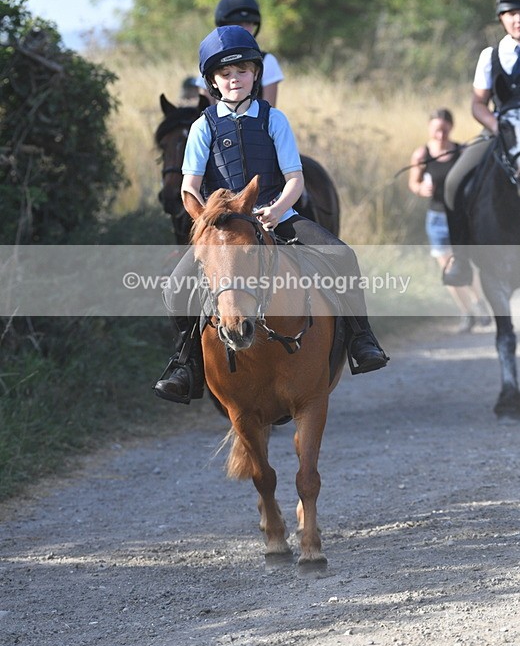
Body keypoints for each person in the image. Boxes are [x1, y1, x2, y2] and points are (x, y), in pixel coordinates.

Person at [154, 26, 388, 404]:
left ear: (255, 74)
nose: (234, 80)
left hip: (277, 214)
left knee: (343, 256)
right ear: (212, 81)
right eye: (225, 75)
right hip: (223, 226)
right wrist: (205, 222)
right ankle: (186, 364)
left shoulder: (274, 120)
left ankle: (362, 340)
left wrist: (277, 211)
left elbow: (295, 178)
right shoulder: (202, 126)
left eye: (242, 72)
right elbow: (189, 187)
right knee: (174, 288)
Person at [442, 0, 520, 286]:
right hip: (500, 133)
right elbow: (478, 104)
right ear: (501, 18)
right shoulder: (490, 55)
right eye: (511, 14)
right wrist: (498, 126)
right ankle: (462, 261)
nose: (518, 19)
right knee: (454, 182)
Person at [409, 108, 491, 332]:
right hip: (436, 218)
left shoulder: (462, 151)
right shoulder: (422, 154)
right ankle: (467, 313)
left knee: (464, 263)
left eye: (444, 130)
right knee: (447, 270)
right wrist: (421, 188)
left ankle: (480, 303)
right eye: (436, 130)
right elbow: (413, 183)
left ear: (451, 128)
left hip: (460, 218)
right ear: (429, 128)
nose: (440, 135)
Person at [196, 0, 284, 106]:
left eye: (249, 23)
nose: (245, 28)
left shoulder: (267, 61)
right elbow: (205, 106)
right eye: (237, 23)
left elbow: (270, 109)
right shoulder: (211, 60)